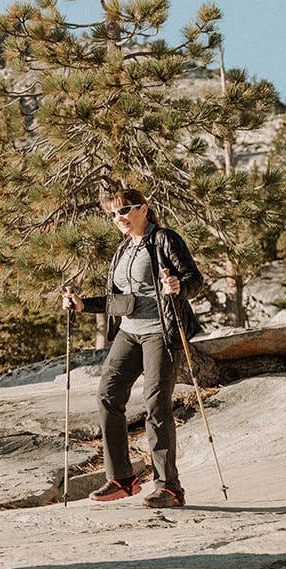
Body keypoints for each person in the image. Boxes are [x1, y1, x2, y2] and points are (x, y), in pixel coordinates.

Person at [62, 186, 204, 508]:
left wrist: (178, 286)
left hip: (160, 332)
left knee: (156, 404)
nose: (118, 218)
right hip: (129, 333)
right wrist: (83, 304)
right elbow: (120, 300)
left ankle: (169, 487)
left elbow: (194, 280)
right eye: (113, 214)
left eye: (124, 210)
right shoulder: (123, 250)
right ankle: (122, 479)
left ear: (143, 208)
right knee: (108, 395)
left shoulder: (164, 239)